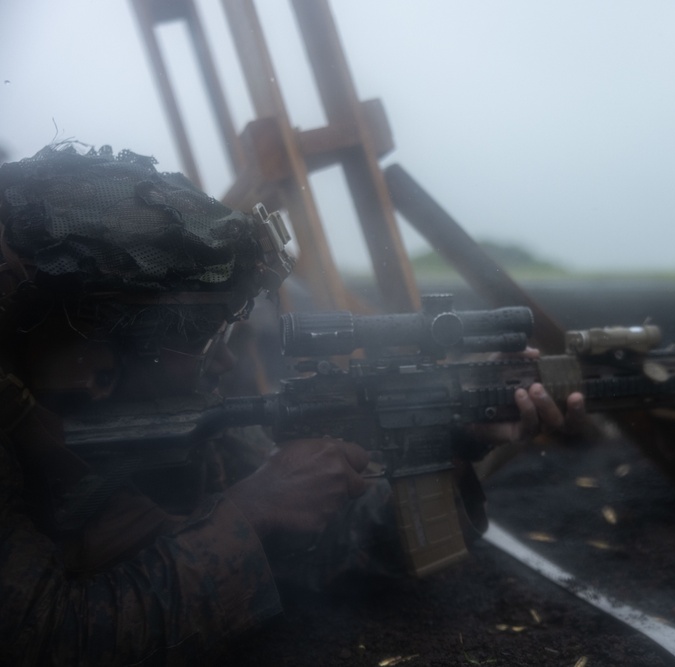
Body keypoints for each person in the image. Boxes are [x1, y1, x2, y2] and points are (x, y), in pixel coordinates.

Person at [0, 144, 582, 665]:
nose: (225, 365)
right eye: (203, 340)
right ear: (91, 362)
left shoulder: (179, 416)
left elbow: (322, 557)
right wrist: (249, 513)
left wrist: (454, 441)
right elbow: (48, 637)